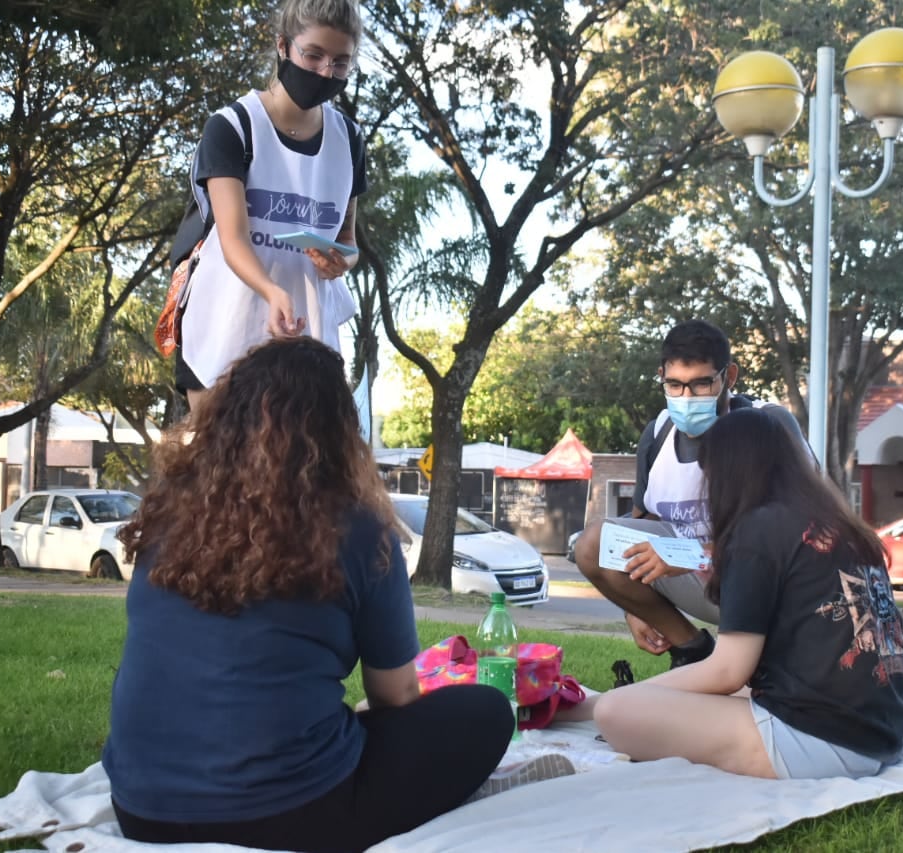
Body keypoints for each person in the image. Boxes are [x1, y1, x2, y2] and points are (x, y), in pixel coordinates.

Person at [103, 337, 515, 852]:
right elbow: (396, 698)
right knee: (488, 712)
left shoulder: (167, 515)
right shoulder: (361, 530)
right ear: (339, 433)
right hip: (285, 816)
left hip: (140, 811)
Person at [589, 407, 903, 780]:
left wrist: (621, 699)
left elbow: (728, 671)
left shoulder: (759, 530)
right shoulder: (843, 527)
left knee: (615, 713)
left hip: (821, 741)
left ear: (727, 470)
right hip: (881, 733)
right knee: (619, 704)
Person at [574, 319, 810, 668]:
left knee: (741, 699)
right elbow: (640, 528)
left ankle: (760, 664)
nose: (686, 398)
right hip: (701, 580)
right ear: (662, 376)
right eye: (674, 385)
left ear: (728, 377)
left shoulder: (768, 426)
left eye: (701, 384)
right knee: (594, 544)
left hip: (771, 586)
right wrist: (633, 607)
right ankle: (692, 650)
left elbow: (802, 532)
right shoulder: (659, 432)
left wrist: (695, 555)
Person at [177, 0, 367, 411]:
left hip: (307, 340)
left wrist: (342, 261)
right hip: (224, 327)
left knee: (300, 470)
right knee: (219, 471)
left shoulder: (349, 140)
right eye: (313, 55)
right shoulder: (233, 127)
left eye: (340, 63)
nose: (324, 71)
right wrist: (271, 291)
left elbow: (348, 241)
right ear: (283, 46)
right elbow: (233, 239)